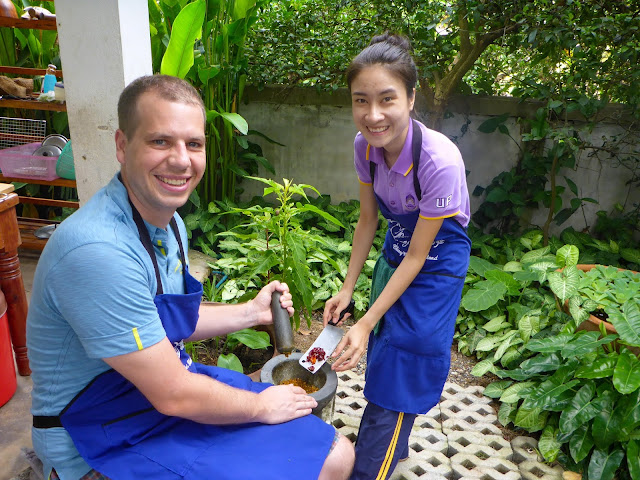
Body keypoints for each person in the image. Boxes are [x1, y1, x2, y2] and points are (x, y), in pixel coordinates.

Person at [27, 74, 354, 480]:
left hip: (154, 393)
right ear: (122, 146)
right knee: (326, 460)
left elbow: (166, 323)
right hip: (102, 431)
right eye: (160, 141)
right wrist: (262, 406)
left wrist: (251, 312)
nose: (181, 159)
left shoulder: (170, 225)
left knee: (336, 454)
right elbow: (173, 394)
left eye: (193, 144)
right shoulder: (98, 252)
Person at [323, 33, 471, 480]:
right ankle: (390, 443)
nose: (373, 115)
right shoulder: (363, 148)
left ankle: (372, 466)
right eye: (360, 101)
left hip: (436, 262)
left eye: (387, 99)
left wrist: (365, 322)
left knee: (406, 356)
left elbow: (420, 256)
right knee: (386, 346)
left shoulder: (439, 162)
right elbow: (368, 219)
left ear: (410, 98)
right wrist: (348, 291)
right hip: (398, 247)